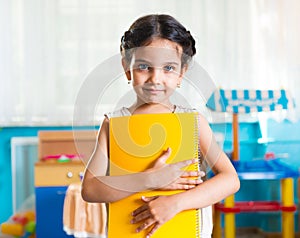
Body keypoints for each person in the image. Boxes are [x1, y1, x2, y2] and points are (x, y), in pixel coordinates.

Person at [81, 14, 240, 237]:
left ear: (181, 73)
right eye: (144, 66)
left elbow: (230, 179)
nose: (156, 79)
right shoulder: (113, 124)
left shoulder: (194, 123)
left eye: (168, 68)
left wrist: (174, 203)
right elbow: (90, 189)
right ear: (127, 67)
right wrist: (150, 179)